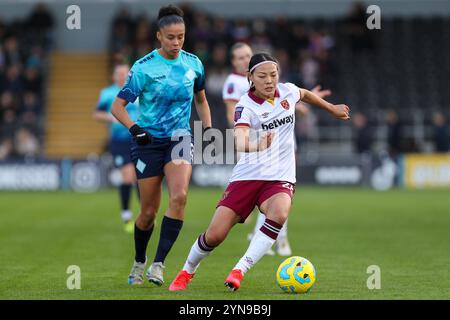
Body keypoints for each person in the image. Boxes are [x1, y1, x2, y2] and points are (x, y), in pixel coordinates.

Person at [169, 53, 349, 292]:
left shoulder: (287, 91)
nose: (269, 80)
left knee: (279, 212)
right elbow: (239, 139)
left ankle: (239, 271)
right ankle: (187, 270)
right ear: (250, 77)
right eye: (262, 76)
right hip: (247, 176)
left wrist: (331, 109)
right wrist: (257, 145)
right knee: (215, 235)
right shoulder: (245, 105)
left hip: (279, 177)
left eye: (273, 75)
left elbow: (304, 94)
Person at [110, 4, 213, 287]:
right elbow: (117, 107)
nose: (177, 42)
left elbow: (201, 100)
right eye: (171, 37)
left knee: (179, 197)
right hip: (148, 142)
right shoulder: (143, 68)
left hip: (180, 139)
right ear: (159, 36)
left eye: (181, 36)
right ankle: (139, 261)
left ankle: (159, 264)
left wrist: (208, 128)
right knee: (148, 212)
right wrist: (135, 129)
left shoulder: (194, 64)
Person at [222, 43, 331, 257]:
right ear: (235, 63)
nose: (245, 59)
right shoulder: (234, 83)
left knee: (279, 190)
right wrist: (244, 136)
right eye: (240, 57)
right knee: (269, 190)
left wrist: (302, 104)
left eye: (247, 55)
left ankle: (274, 236)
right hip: (254, 143)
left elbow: (281, 104)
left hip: (279, 139)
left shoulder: (266, 75)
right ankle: (271, 237)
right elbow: (232, 113)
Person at [93, 64, 139, 233]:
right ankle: (127, 215)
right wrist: (110, 117)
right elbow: (96, 114)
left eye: (125, 74)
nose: (122, 76)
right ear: (114, 77)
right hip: (119, 142)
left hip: (139, 139)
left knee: (141, 177)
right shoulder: (107, 93)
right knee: (128, 176)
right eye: (119, 74)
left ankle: (146, 215)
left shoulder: (136, 90)